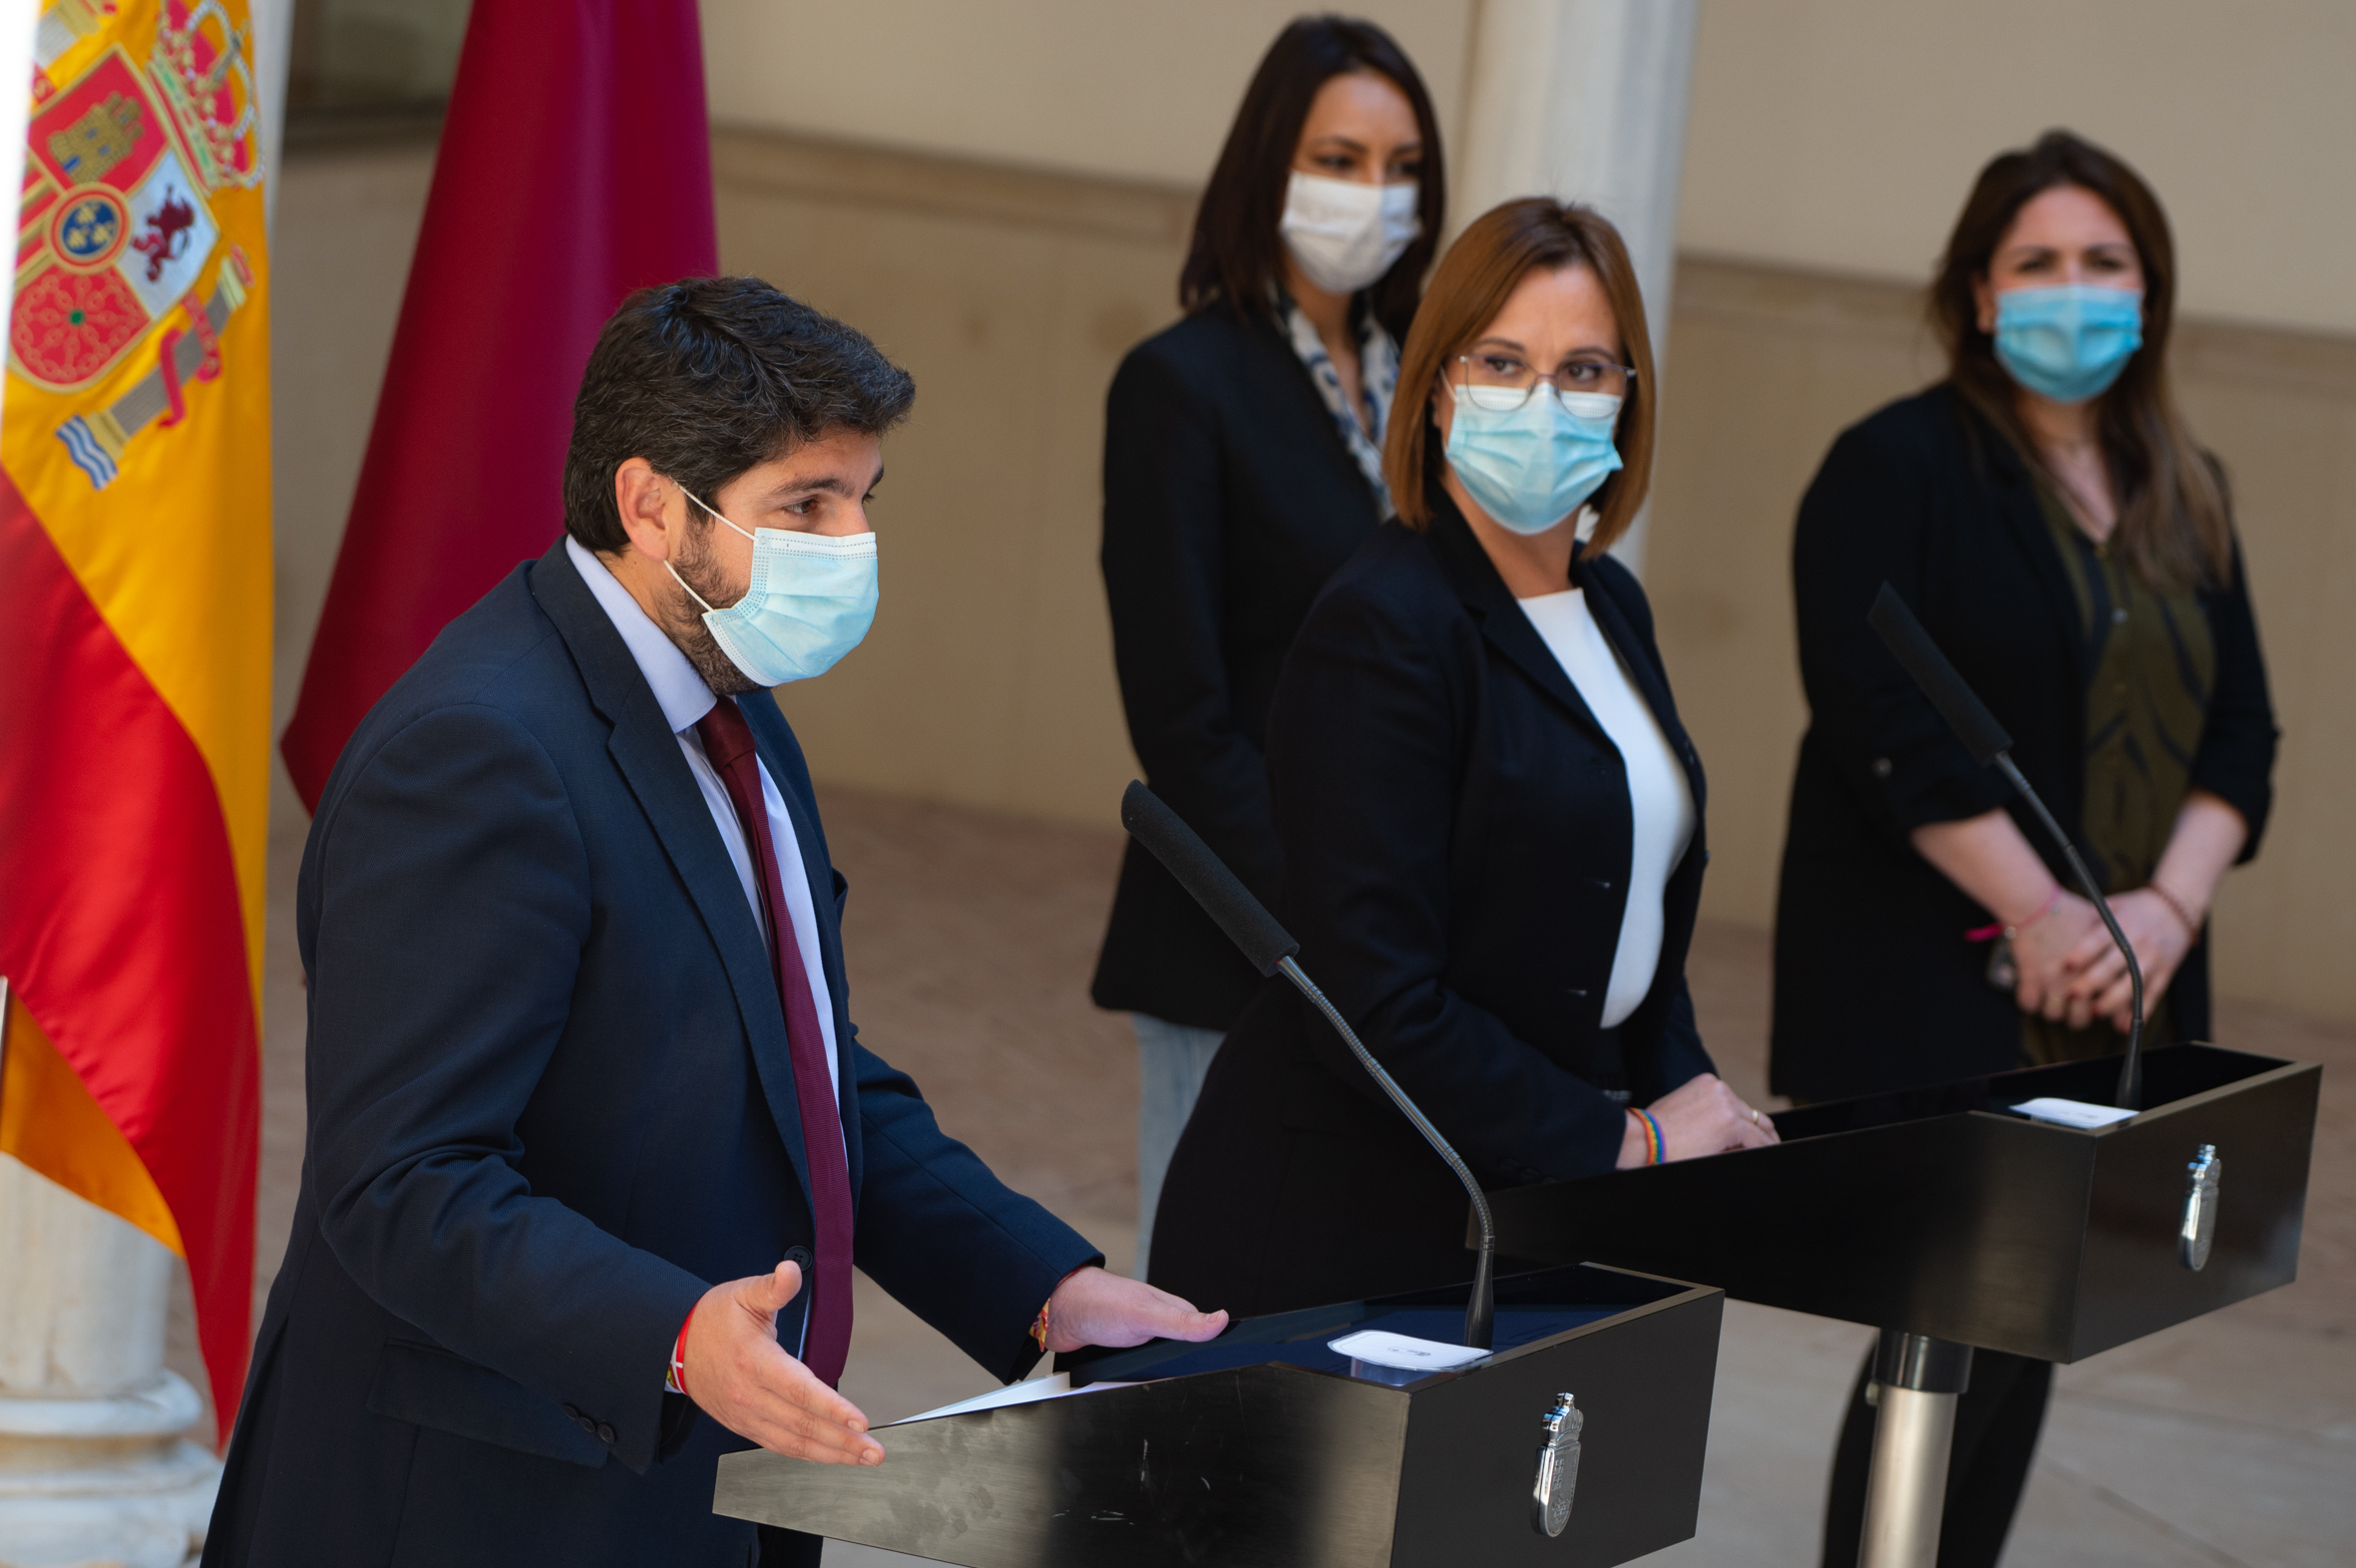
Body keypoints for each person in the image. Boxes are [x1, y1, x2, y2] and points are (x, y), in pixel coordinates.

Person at [202, 279, 1225, 1568]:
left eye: (863, 501)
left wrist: (1038, 1289)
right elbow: (402, 1184)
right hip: (488, 1509)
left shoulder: (734, 708)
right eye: (806, 505)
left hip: (700, 1497)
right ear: (650, 506)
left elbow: (804, 1081)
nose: (851, 544)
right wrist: (675, 1337)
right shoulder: (478, 754)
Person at [1769, 132, 2277, 1568]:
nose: (2073, 291)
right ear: (1978, 296)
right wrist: (2052, 918)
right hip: (1947, 981)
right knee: (1942, 1337)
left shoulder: (2190, 486)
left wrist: (2160, 917)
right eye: (2037, 263)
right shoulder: (1893, 467)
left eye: (2102, 263)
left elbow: (2239, 733)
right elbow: (1881, 717)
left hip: (2128, 987)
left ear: (2148, 291)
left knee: (2033, 1333)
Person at [1147, 199, 1779, 1321]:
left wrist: (1686, 1089)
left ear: (1627, 401)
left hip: (1525, 1198)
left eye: (1585, 369)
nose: (1545, 400)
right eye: (1503, 361)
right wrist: (1625, 1137)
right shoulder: (1385, 625)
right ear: (1437, 388)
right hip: (1344, 1221)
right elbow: (1376, 995)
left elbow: (1627, 907)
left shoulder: (1610, 606)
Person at [1088, 16, 1446, 1275]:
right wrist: (1324, 919)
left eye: (1403, 169)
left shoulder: (1434, 386)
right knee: (1210, 1322)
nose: (1374, 195)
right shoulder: (1182, 385)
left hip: (1410, 945)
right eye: (1339, 158)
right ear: (1265, 167)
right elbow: (1183, 717)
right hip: (1240, 936)